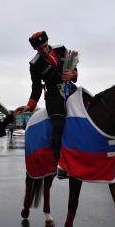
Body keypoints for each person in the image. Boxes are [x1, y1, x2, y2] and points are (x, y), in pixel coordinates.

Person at [17, 31, 78, 164]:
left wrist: (72, 75)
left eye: (45, 46)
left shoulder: (61, 49)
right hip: (53, 95)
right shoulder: (34, 65)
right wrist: (30, 105)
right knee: (58, 124)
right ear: (35, 49)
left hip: (70, 89)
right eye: (40, 48)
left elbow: (75, 69)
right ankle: (59, 159)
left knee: (91, 106)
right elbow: (37, 87)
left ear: (47, 42)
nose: (44, 50)